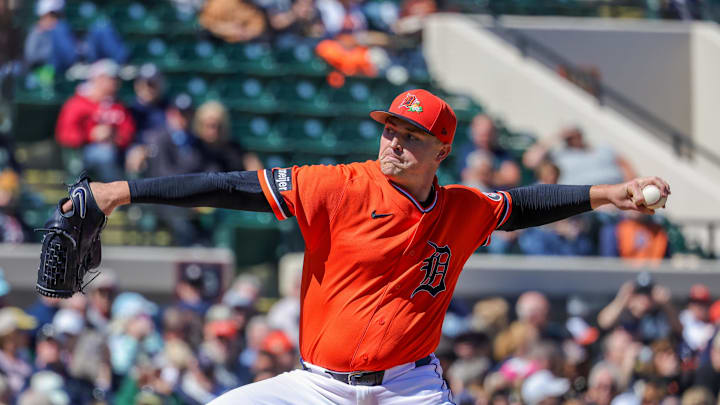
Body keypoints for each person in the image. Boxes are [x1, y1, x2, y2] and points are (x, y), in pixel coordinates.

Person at [62, 89, 670, 404]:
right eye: (390, 130)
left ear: (441, 152)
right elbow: (230, 187)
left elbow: (528, 204)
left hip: (410, 387)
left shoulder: (463, 208)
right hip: (315, 385)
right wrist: (124, 191)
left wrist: (610, 193)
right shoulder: (340, 185)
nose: (395, 143)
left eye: (412, 136)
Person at [55, 59, 135, 182]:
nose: (116, 82)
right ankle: (116, 193)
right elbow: (65, 134)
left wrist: (115, 137)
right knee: (105, 154)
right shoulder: (76, 103)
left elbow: (129, 132)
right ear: (98, 79)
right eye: (112, 78)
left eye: (116, 78)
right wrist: (91, 135)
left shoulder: (118, 105)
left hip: (118, 149)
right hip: (85, 152)